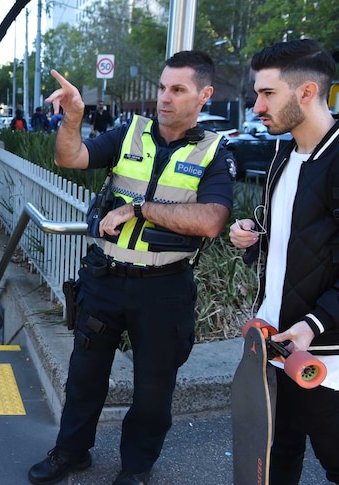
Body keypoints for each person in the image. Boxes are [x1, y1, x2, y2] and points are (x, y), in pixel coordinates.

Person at [29, 51, 235, 485]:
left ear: (204, 95)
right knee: (84, 376)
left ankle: (136, 468)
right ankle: (71, 452)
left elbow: (213, 220)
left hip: (165, 289)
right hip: (105, 278)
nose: (165, 98)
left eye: (178, 90)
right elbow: (71, 158)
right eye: (163, 87)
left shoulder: (214, 152)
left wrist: (139, 209)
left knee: (153, 391)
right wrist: (73, 118)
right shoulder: (130, 134)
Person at [229, 39, 339, 485]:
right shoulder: (282, 153)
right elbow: (299, 241)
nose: (257, 106)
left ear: (307, 92)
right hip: (275, 346)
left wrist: (313, 323)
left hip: (326, 360)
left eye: (267, 94)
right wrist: (253, 237)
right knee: (274, 465)